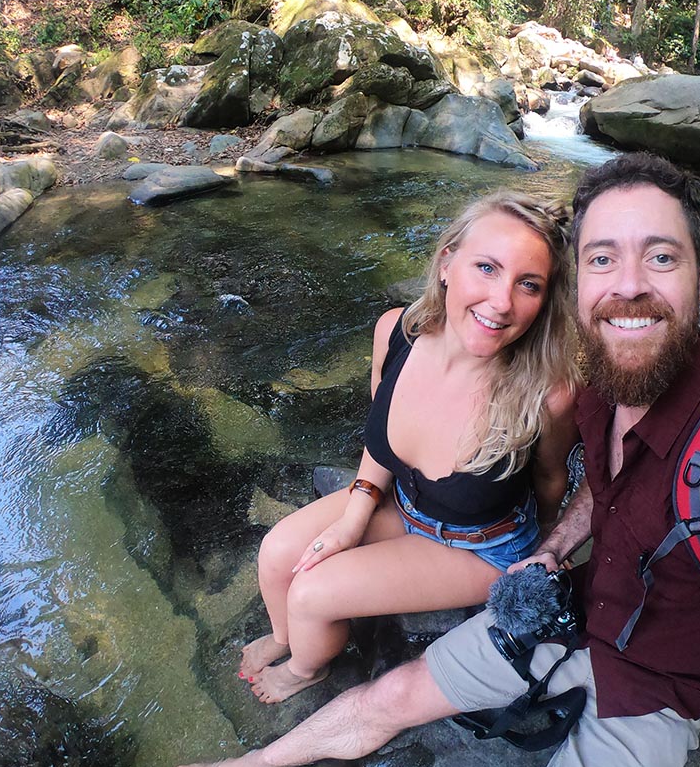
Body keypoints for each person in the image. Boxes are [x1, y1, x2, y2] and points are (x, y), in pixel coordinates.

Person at [169, 153, 700, 767]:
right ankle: (255, 763)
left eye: (661, 257)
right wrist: (552, 547)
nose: (630, 284)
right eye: (604, 258)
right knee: (386, 690)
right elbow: (569, 488)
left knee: (340, 616)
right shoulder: (603, 388)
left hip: (660, 689)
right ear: (582, 287)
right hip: (567, 613)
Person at [238, 189, 580, 703]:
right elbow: (381, 438)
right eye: (486, 267)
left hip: (480, 545)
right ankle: (286, 638)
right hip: (403, 504)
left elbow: (553, 478)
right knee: (275, 555)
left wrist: (548, 546)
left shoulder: (547, 392)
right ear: (447, 262)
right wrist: (353, 519)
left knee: (310, 594)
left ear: (544, 299)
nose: (502, 301)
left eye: (527, 284)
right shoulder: (397, 331)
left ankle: (307, 670)